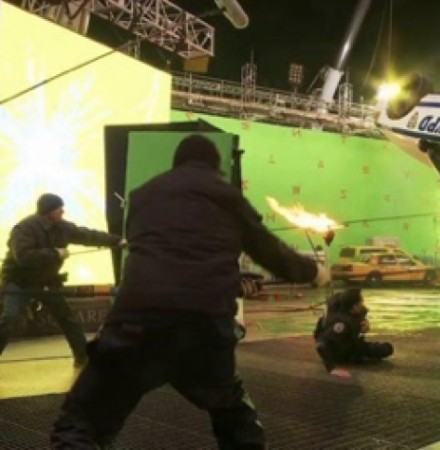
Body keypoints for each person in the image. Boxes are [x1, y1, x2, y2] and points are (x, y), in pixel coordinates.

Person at [51, 134, 329, 449]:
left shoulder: (142, 195)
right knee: (235, 420)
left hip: (134, 325)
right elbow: (271, 253)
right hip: (203, 329)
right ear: (216, 165)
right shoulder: (227, 195)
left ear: (177, 163)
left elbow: (165, 258)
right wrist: (315, 272)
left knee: (81, 424)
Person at [0, 194, 122, 367]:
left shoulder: (63, 227)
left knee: (66, 317)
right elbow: (23, 257)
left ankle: (83, 356)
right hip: (19, 282)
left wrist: (116, 241)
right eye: (59, 208)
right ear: (49, 211)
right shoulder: (24, 228)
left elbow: (87, 235)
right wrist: (55, 253)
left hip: (46, 282)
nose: (62, 211)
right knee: (9, 319)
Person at [313, 288, 393, 378]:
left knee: (386, 348)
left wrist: (364, 322)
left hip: (347, 341)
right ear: (354, 306)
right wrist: (332, 369)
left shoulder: (344, 306)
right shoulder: (343, 324)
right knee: (385, 349)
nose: (362, 305)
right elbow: (321, 344)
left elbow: (361, 313)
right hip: (339, 352)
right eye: (360, 303)